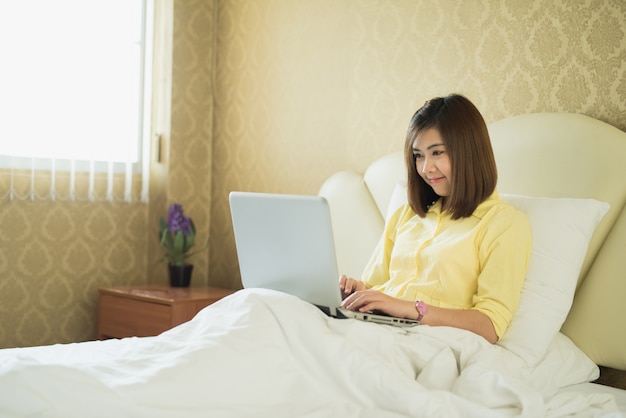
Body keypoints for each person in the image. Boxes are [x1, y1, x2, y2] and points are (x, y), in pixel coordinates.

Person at [339, 94, 531, 344]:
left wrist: (414, 309)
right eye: (418, 155)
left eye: (437, 153)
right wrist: (356, 292)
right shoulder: (407, 214)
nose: (426, 168)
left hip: (427, 341)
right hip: (377, 329)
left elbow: (490, 325)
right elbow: (375, 285)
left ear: (468, 152)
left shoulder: (504, 223)